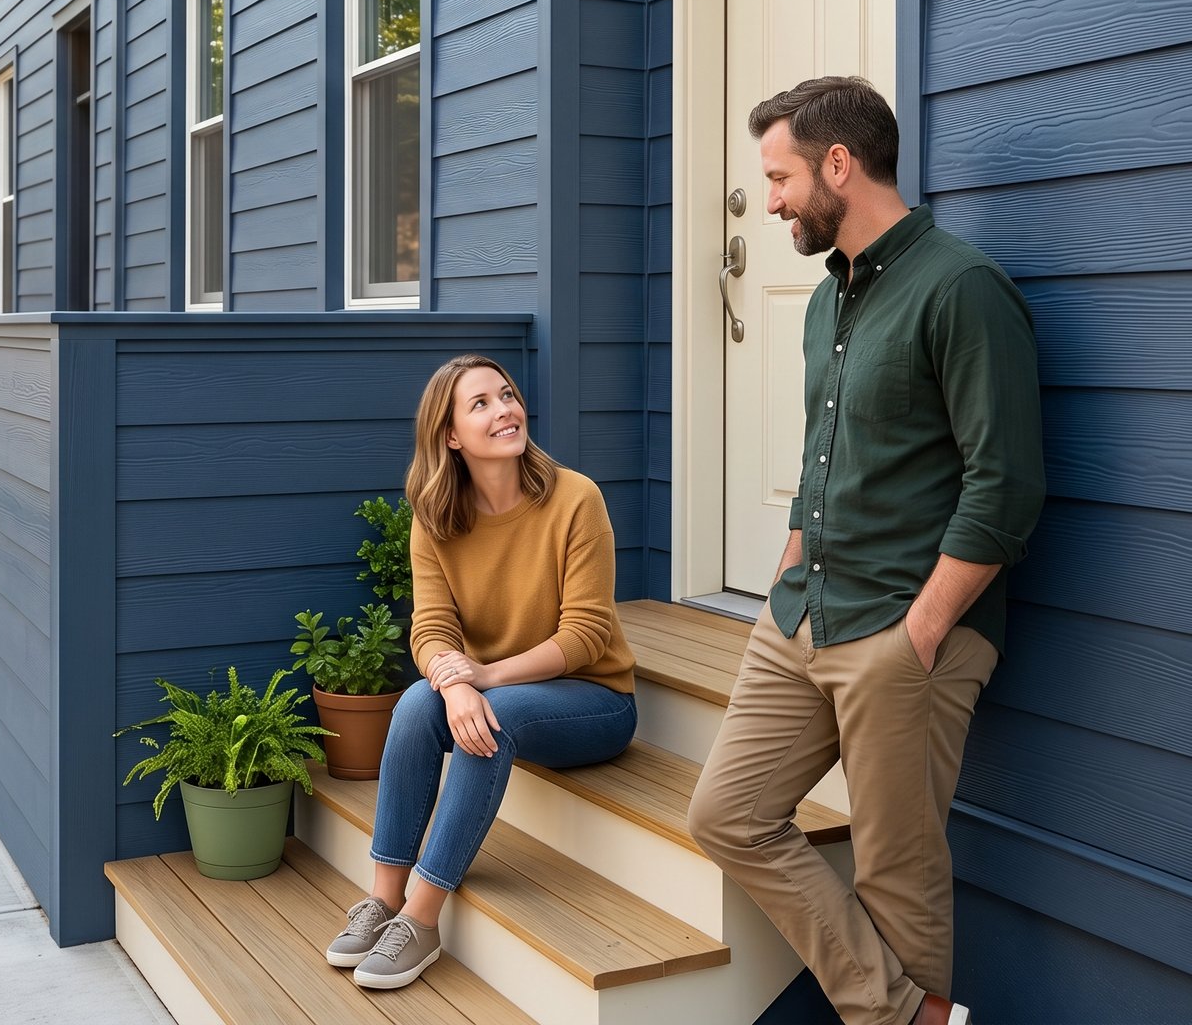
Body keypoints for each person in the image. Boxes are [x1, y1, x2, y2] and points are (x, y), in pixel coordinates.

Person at [688, 76, 1046, 1025]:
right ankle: (902, 1013)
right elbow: (820, 460)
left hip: (904, 628)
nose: (768, 204)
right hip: (803, 611)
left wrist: (919, 635)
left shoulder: (962, 289)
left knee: (897, 871)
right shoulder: (824, 303)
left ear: (838, 165)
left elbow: (1004, 484)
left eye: (779, 179)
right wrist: (780, 583)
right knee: (724, 813)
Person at [324, 354, 638, 991]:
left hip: (594, 698)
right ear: (450, 435)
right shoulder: (435, 517)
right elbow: (431, 628)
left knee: (489, 717)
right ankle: (384, 898)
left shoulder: (576, 499)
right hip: (494, 686)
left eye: (508, 395)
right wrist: (452, 681)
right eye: (482, 404)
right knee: (415, 704)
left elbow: (587, 635)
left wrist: (482, 680)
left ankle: (422, 916)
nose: (506, 411)